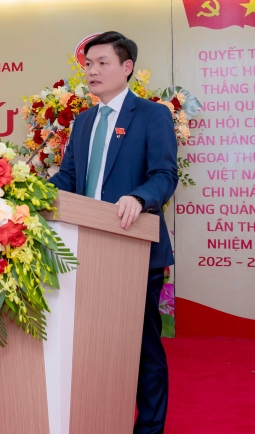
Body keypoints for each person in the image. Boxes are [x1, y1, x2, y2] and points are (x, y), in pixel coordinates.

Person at [49, 31, 177, 434]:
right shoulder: (84, 121)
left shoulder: (152, 115)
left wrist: (139, 198)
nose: (92, 71)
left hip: (133, 249)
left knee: (141, 348)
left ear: (127, 67)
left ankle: (150, 429)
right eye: (89, 64)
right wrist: (27, 193)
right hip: (84, 249)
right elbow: (69, 178)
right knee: (93, 345)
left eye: (102, 63)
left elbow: (164, 174)